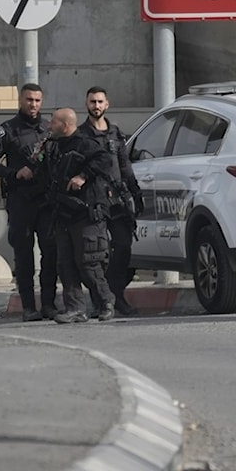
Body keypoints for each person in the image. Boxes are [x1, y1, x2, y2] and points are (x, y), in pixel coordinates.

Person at [0, 83, 59, 322]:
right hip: (21, 202)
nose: (33, 104)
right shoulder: (7, 130)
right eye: (29, 100)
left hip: (46, 202)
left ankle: (49, 305)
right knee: (24, 256)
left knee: (51, 254)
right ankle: (28, 306)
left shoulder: (49, 128)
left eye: (37, 100)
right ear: (20, 100)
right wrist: (14, 173)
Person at [45, 107, 117, 323]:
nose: (50, 125)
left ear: (65, 125)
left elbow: (105, 161)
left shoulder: (85, 143)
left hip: (86, 212)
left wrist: (83, 176)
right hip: (63, 214)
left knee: (88, 262)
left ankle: (105, 301)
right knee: (65, 264)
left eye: (54, 122)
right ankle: (75, 308)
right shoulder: (54, 147)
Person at [77, 86, 144, 317]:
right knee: (97, 253)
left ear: (107, 105)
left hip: (117, 199)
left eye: (100, 102)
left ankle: (116, 294)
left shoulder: (115, 133)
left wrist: (135, 192)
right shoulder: (80, 135)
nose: (96, 105)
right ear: (86, 104)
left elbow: (124, 165)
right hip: (93, 200)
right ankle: (102, 299)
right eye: (92, 101)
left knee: (123, 247)